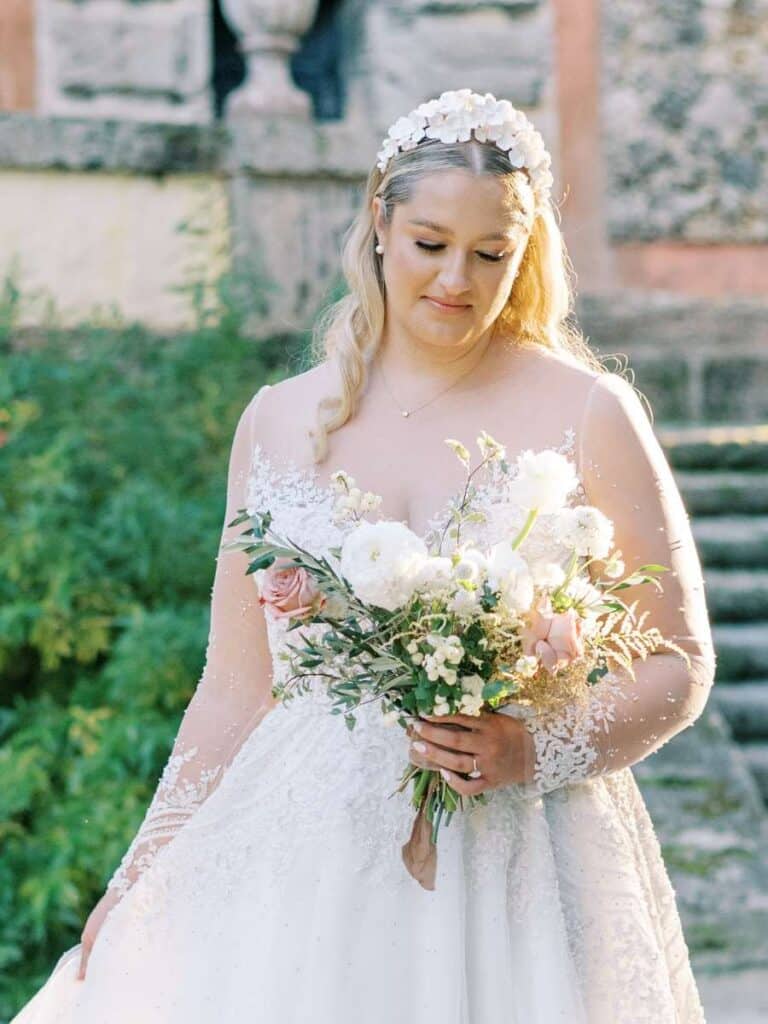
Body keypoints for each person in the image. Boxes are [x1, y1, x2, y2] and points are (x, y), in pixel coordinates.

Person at [12, 88, 716, 1023]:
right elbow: (235, 685)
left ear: (528, 253)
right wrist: (143, 867)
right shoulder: (276, 419)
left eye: (491, 254)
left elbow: (679, 659)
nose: (456, 281)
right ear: (380, 222)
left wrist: (531, 747)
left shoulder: (588, 410)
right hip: (303, 866)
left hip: (520, 865)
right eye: (431, 244)